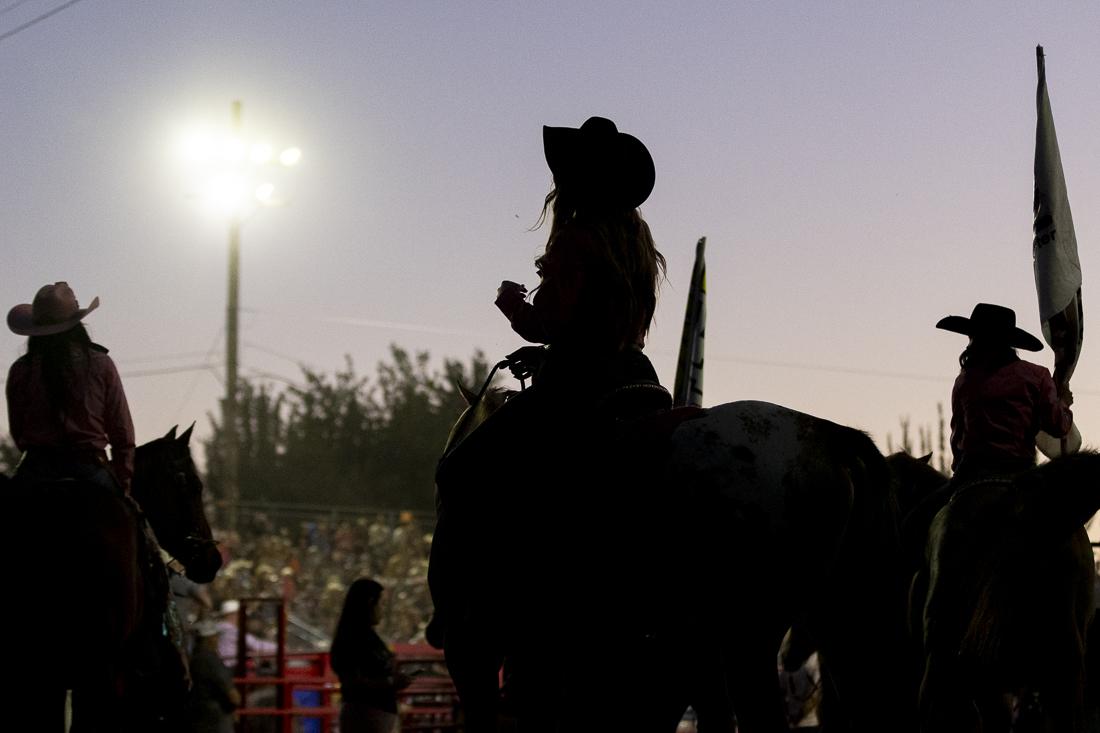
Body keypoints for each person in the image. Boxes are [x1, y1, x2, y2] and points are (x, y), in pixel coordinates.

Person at [492, 115, 670, 415]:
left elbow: (548, 324)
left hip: (578, 384)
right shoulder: (637, 241)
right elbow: (600, 331)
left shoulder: (574, 239)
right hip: (637, 372)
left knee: (460, 462)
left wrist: (509, 300)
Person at [6, 281, 134, 492]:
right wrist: (124, 479)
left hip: (37, 470)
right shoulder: (101, 363)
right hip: (90, 468)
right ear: (76, 325)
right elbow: (122, 432)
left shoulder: (21, 370)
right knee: (136, 519)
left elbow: (18, 431)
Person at [935, 302, 1073, 481]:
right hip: (1020, 471)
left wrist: (958, 473)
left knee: (926, 508)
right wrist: (1062, 402)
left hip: (972, 472)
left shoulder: (964, 380)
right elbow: (1058, 426)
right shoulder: (1037, 375)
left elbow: (958, 436)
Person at [330, 578, 411, 733]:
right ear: (369, 603)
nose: (382, 610)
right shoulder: (353, 639)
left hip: (376, 715)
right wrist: (391, 682)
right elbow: (355, 680)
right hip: (365, 715)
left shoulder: (367, 636)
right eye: (381, 604)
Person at [182, 619, 241, 733]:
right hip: (217, 718)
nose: (217, 640)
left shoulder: (195, 658)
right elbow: (232, 695)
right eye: (215, 636)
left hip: (199, 714)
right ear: (209, 639)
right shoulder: (211, 660)